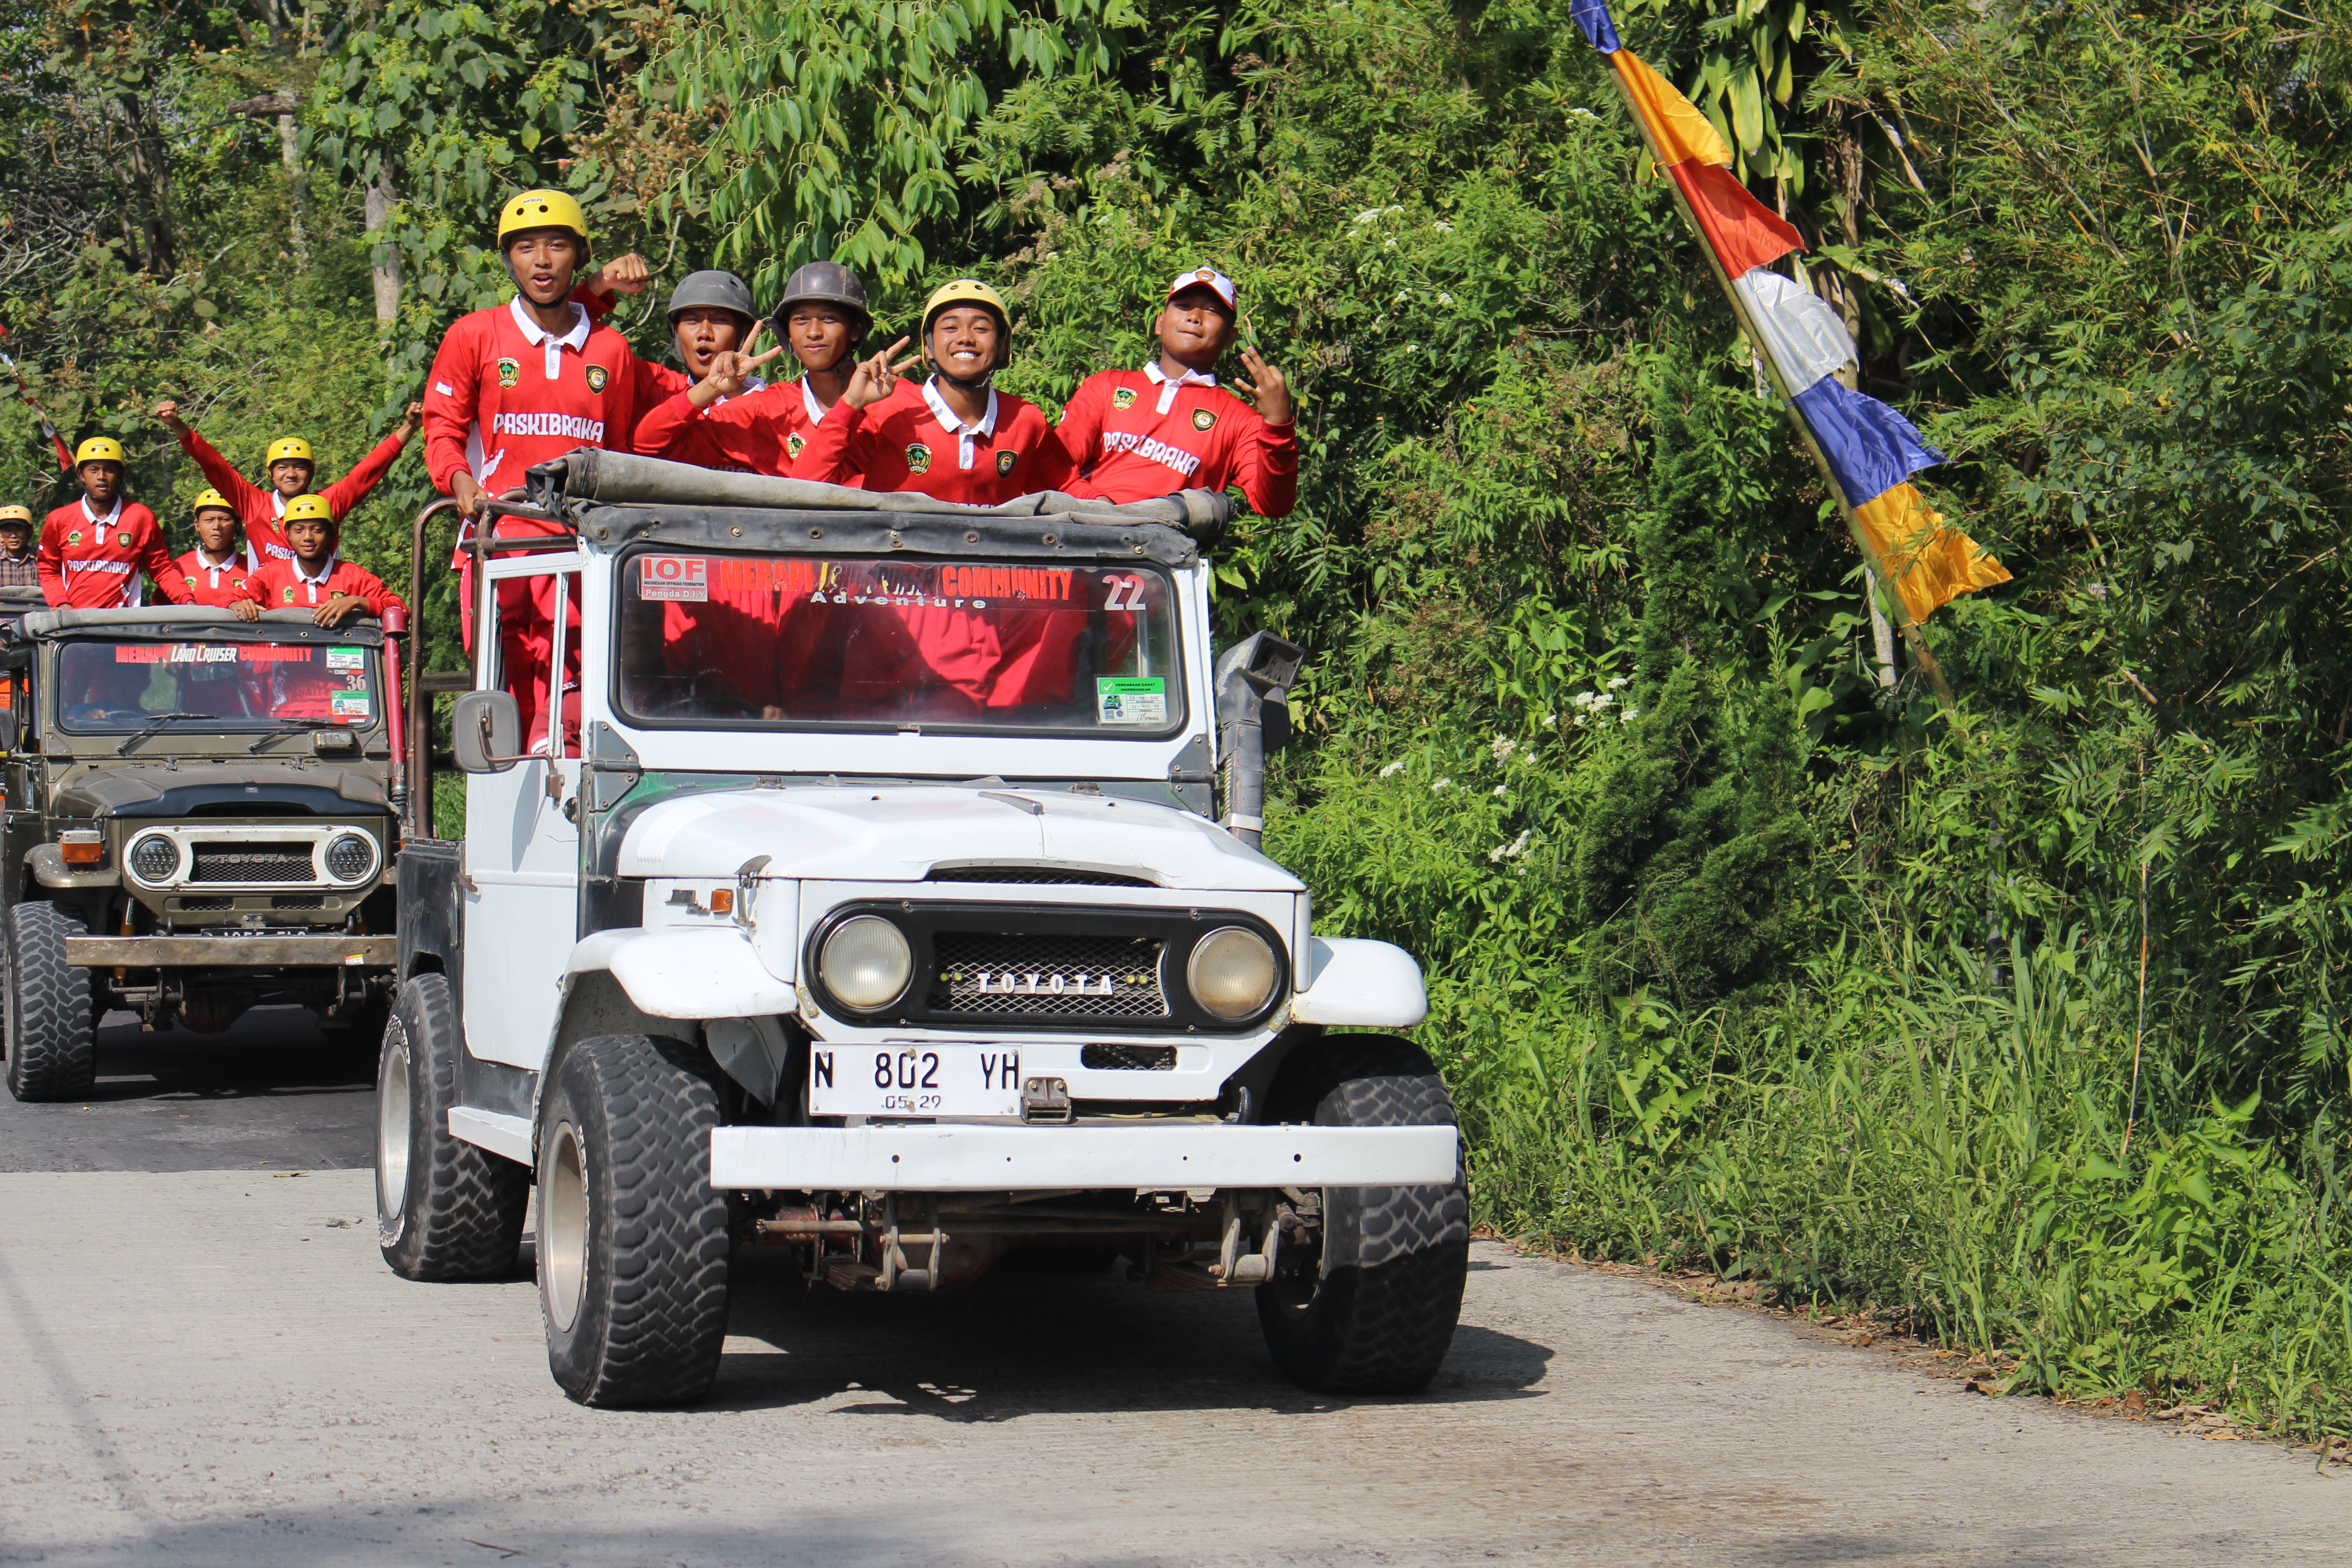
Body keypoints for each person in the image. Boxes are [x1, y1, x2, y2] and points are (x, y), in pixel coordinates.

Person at [421, 188, 639, 745]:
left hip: (577, 545)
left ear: (580, 257)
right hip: (499, 541)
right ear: (507, 259)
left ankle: (570, 820)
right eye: (526, 248)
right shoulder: (475, 334)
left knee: (572, 701)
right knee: (501, 697)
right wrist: (461, 481)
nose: (542, 261)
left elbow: (615, 455)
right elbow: (441, 430)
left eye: (557, 246)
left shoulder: (612, 350)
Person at [794, 279, 1072, 503]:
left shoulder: (1025, 418)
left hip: (986, 572)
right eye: (950, 327)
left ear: (1002, 345)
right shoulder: (888, 411)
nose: (965, 338)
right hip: (893, 572)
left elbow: (1068, 486)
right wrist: (851, 403)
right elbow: (805, 484)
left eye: (981, 328)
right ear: (929, 347)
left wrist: (1110, 507)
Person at [1054, 266, 1297, 516]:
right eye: (1183, 305)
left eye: (1211, 311)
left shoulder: (1240, 420)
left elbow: (1273, 506)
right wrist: (1099, 506)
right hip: (1084, 536)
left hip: (1166, 550)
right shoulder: (1105, 386)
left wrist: (1278, 426)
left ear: (1230, 339)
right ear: (1160, 322)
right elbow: (1053, 466)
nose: (1194, 317)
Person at [632, 262, 870, 476]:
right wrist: (711, 387)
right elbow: (645, 445)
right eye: (692, 320)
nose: (704, 332)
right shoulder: (657, 385)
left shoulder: (769, 409)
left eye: (719, 320)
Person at [151, 401, 421, 565]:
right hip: (268, 619)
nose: (291, 474)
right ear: (270, 474)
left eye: (299, 467)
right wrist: (178, 426)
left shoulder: (328, 504)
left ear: (312, 472)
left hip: (320, 615)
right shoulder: (254, 504)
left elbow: (367, 473)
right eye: (282, 468)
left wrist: (409, 428)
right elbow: (214, 466)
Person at [38, 437, 194, 609]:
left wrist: (187, 600)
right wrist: (60, 602)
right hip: (75, 623)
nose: (102, 477)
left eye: (109, 470)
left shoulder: (140, 517)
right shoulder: (59, 519)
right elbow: (48, 569)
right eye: (93, 470)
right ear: (81, 475)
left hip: (123, 625)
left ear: (120, 475)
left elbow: (162, 569)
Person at [232, 495, 405, 627]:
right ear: (288, 535)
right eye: (299, 530)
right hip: (282, 669)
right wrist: (238, 604)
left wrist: (357, 602)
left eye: (317, 530)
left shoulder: (352, 575)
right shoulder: (271, 573)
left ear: (331, 534)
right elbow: (228, 599)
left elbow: (400, 609)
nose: (308, 538)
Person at [176, 489, 256, 607]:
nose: (216, 527)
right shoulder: (178, 568)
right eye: (209, 520)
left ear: (238, 525)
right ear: (197, 526)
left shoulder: (252, 570)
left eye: (224, 520)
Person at [0, 505, 39, 588]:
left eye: (19, 530)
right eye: (8, 530)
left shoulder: (41, 559)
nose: (13, 536)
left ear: (29, 531)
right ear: (1, 533)